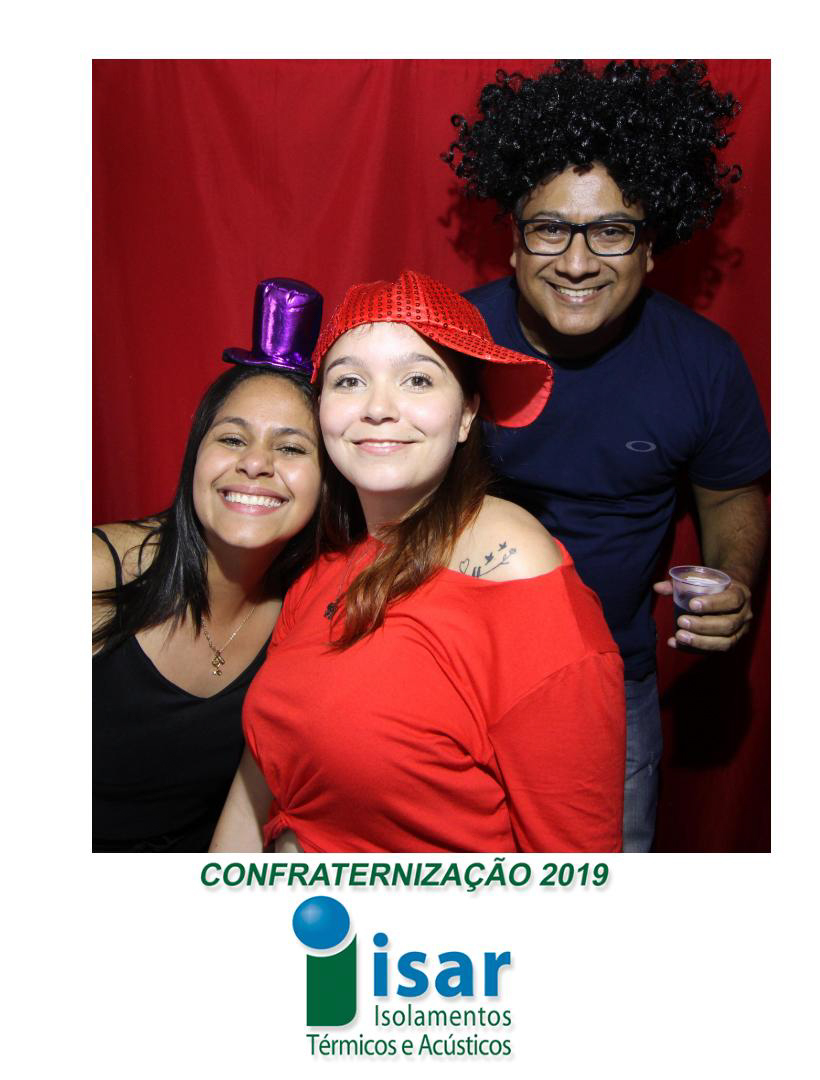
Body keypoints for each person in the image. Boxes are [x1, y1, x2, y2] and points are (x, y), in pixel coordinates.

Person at [443, 60, 771, 851]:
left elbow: (730, 493)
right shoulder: (451, 344)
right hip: (449, 672)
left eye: (612, 231)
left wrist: (733, 578)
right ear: (515, 242)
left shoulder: (704, 363)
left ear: (651, 248)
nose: (577, 261)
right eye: (550, 228)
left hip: (611, 683)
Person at [211, 269, 626, 854]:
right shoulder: (325, 565)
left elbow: (575, 871)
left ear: (466, 414)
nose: (379, 408)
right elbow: (261, 780)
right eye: (350, 380)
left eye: (417, 379)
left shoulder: (527, 594)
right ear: (322, 409)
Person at [92, 279, 323, 852]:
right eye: (232, 439)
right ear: (196, 453)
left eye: (291, 448)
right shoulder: (94, 573)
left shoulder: (308, 614)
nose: (255, 464)